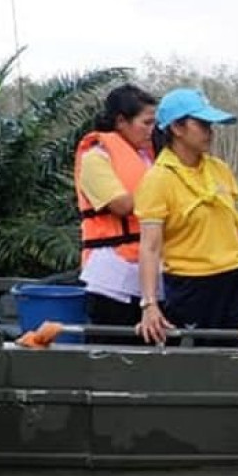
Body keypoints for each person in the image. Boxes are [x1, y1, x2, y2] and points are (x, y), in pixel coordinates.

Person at [134, 88, 238, 344]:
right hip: (192, 286)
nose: (210, 131)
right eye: (202, 124)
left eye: (211, 124)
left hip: (236, 280)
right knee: (198, 359)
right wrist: (149, 304)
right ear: (177, 128)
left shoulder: (220, 169)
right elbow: (150, 247)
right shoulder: (158, 179)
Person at [74, 84, 157, 326]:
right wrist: (165, 194)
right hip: (111, 275)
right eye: (146, 123)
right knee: (111, 349)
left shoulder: (149, 157)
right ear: (121, 121)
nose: (152, 130)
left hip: (148, 271)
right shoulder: (95, 158)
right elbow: (120, 205)